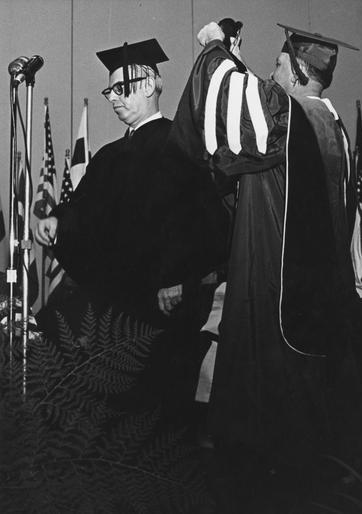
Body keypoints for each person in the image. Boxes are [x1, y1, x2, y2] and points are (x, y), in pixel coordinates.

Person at [167, 20, 362, 511]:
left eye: (279, 64)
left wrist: (217, 45)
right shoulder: (333, 126)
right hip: (320, 301)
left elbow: (228, 101)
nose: (273, 72)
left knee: (269, 442)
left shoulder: (290, 117)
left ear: (298, 70)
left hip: (280, 296)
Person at [35, 38, 229, 428]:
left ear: (152, 84)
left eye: (123, 89)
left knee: (158, 411)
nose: (114, 99)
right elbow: (84, 209)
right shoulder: (108, 156)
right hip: (116, 301)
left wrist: (177, 277)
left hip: (162, 301)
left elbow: (199, 222)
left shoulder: (181, 147)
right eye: (110, 91)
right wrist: (59, 220)